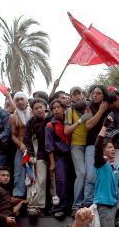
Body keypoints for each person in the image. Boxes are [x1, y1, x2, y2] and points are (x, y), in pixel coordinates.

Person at [23, 98, 53, 216]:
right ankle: (36, 207)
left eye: (41, 107)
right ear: (32, 110)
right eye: (36, 108)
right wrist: (29, 155)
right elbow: (27, 141)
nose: (39, 110)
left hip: (55, 155)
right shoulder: (31, 123)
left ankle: (55, 206)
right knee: (40, 181)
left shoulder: (52, 118)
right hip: (39, 155)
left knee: (54, 182)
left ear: (45, 107)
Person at [82, 85, 111, 208]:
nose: (95, 95)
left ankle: (101, 201)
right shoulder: (89, 108)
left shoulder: (111, 107)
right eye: (93, 93)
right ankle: (88, 202)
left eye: (98, 93)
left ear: (104, 95)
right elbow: (88, 125)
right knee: (90, 175)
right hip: (92, 144)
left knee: (105, 175)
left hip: (107, 145)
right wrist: (101, 111)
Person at [93, 124, 119, 227]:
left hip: (116, 205)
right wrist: (104, 126)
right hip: (104, 205)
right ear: (103, 150)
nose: (113, 149)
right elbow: (97, 145)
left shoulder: (115, 168)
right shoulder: (101, 163)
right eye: (110, 147)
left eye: (113, 147)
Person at [64, 86, 90, 214]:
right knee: (81, 173)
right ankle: (76, 205)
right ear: (72, 97)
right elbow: (66, 131)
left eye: (79, 93)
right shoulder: (69, 111)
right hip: (77, 145)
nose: (77, 96)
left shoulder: (89, 107)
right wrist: (80, 120)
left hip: (91, 145)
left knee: (91, 175)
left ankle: (88, 203)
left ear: (83, 94)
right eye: (74, 94)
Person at [45, 99, 73, 218]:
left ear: (64, 108)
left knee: (73, 180)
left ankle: (71, 207)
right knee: (61, 181)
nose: (56, 110)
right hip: (59, 156)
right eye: (54, 108)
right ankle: (59, 207)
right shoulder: (50, 125)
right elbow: (49, 145)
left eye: (58, 107)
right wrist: (52, 163)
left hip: (73, 154)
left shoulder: (71, 121)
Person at [9, 92, 32, 198]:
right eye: (17, 100)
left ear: (27, 100)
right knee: (19, 171)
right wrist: (20, 144)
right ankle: (18, 196)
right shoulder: (13, 117)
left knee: (35, 171)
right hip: (21, 148)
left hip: (34, 146)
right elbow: (13, 136)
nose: (20, 102)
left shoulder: (33, 112)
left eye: (22, 99)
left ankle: (32, 198)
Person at [105, 89, 119, 179]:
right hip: (118, 150)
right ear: (112, 103)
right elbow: (108, 134)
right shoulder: (111, 115)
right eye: (116, 100)